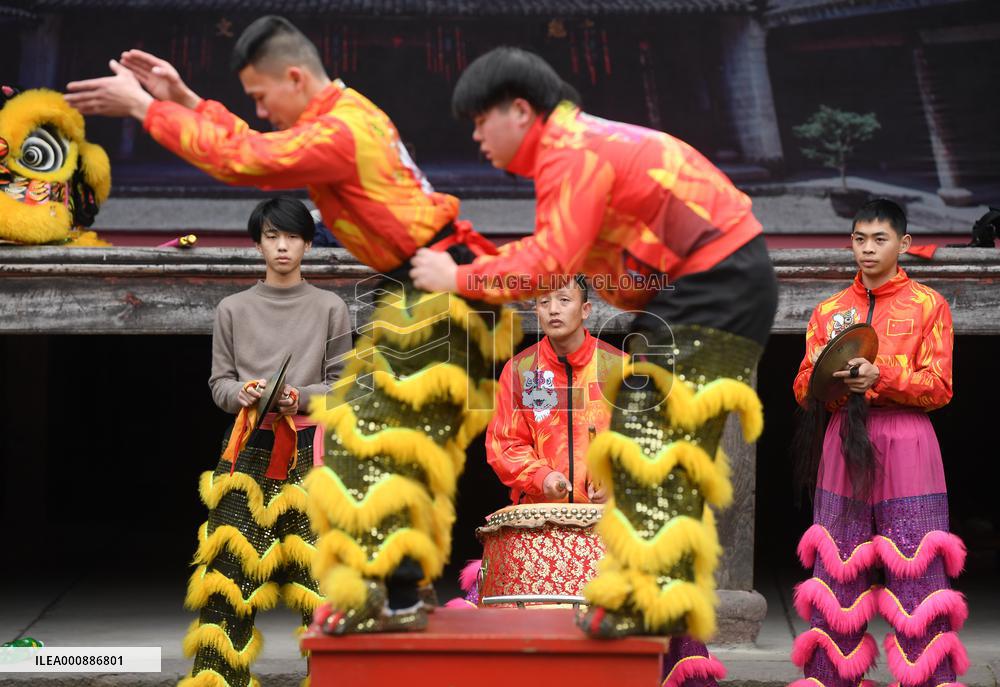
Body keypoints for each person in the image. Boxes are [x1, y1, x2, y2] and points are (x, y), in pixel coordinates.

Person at [65, 16, 521, 636]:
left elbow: (247, 160)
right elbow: (256, 143)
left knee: (375, 444)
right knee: (368, 443)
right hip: (427, 287)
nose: (260, 110)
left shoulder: (340, 130)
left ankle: (399, 591)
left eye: (261, 95)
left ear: (296, 77)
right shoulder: (342, 114)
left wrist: (147, 108)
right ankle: (399, 589)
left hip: (440, 292)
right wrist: (186, 100)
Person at [410, 46, 776, 685]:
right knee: (649, 445)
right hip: (706, 285)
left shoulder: (570, 151)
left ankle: (645, 605)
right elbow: (611, 277)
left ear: (520, 110)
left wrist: (458, 276)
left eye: (480, 121)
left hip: (718, 281)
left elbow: (548, 263)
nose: (475, 138)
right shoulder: (584, 149)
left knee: (647, 447)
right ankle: (641, 602)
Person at [789, 199, 967, 687]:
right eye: (859, 239)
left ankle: (929, 679)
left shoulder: (928, 305)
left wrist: (881, 376)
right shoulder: (830, 311)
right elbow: (803, 385)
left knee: (916, 567)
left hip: (907, 438)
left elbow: (940, 386)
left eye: (879, 239)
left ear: (903, 244)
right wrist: (831, 382)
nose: (867, 249)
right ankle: (830, 678)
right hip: (844, 436)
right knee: (838, 569)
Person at [193, 197, 351, 687]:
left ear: (308, 245)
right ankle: (221, 679)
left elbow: (343, 387)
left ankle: (335, 678)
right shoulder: (233, 309)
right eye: (272, 237)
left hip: (309, 449)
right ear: (258, 244)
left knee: (321, 574)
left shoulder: (330, 307)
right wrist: (240, 393)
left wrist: (299, 397)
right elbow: (219, 383)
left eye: (292, 237)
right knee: (229, 572)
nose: (282, 246)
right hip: (246, 446)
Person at [487, 275, 624, 505]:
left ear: (585, 310)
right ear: (536, 311)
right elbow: (504, 443)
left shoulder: (620, 367)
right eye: (544, 302)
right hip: (541, 514)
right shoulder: (520, 370)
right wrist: (542, 477)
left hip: (607, 515)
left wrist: (617, 483)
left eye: (564, 300)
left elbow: (642, 442)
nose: (553, 310)